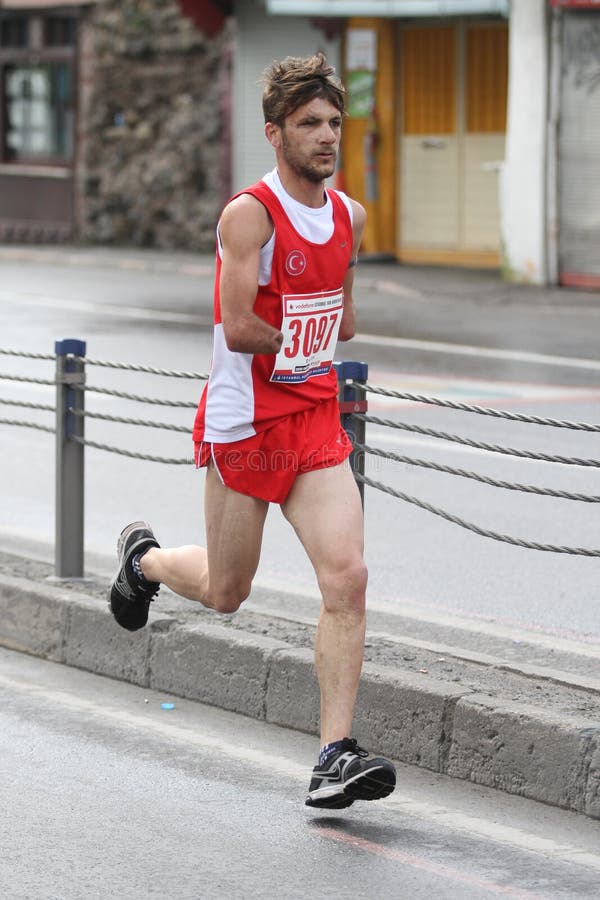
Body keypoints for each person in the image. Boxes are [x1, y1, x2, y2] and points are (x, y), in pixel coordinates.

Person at [109, 53, 396, 810]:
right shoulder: (250, 215)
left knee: (348, 578)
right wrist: (298, 337)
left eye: (334, 121)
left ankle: (334, 754)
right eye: (309, 125)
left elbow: (348, 313)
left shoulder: (349, 217)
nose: (326, 137)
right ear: (275, 133)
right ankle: (147, 563)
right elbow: (237, 326)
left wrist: (325, 330)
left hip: (312, 420)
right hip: (246, 424)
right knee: (227, 590)